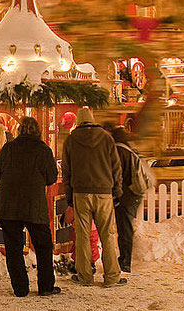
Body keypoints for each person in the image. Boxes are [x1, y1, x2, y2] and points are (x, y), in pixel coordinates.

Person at [0, 116, 59, 297]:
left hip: (8, 205)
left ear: (20, 130)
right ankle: (46, 286)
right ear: (38, 131)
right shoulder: (43, 151)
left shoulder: (8, 148)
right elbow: (51, 178)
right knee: (43, 246)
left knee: (13, 247)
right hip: (34, 205)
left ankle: (20, 288)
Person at [62, 107, 125, 288]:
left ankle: (85, 276)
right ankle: (112, 276)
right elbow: (116, 167)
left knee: (82, 235)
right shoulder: (106, 138)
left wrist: (69, 199)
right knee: (108, 234)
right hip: (104, 193)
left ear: (78, 122)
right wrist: (117, 191)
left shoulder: (71, 140)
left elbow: (66, 172)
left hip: (81, 193)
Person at [109, 125, 142, 275]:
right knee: (126, 227)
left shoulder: (119, 151)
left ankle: (125, 261)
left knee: (124, 228)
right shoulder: (129, 149)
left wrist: (117, 193)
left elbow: (118, 175)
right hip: (133, 194)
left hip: (126, 195)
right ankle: (125, 259)